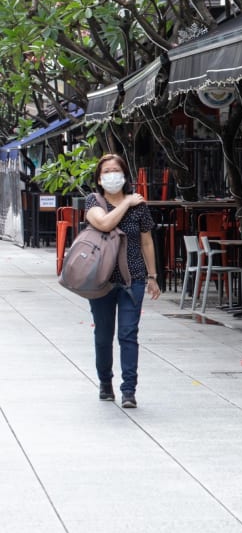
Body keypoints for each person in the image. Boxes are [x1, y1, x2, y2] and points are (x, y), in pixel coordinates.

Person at [85, 154, 160, 408]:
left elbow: (147, 241)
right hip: (101, 281)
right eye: (106, 171)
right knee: (104, 335)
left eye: (116, 170)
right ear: (99, 177)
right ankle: (105, 383)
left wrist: (153, 276)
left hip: (133, 278)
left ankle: (129, 390)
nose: (112, 175)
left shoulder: (140, 206)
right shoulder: (93, 202)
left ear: (125, 175)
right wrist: (126, 202)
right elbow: (105, 224)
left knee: (128, 334)